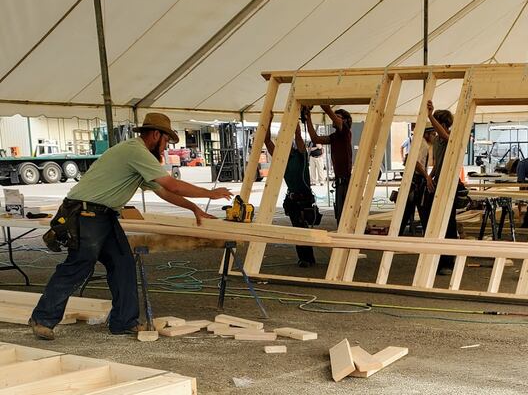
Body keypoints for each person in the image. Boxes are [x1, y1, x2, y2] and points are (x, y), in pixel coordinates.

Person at [30, 113, 232, 340]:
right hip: (85, 213)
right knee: (79, 265)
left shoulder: (139, 157)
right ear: (156, 134)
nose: (165, 148)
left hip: (103, 215)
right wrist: (210, 194)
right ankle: (42, 319)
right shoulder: (135, 151)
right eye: (166, 142)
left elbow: (163, 191)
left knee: (123, 262)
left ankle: (124, 322)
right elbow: (172, 185)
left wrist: (193, 208)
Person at [265, 118, 318, 268]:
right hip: (293, 198)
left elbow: (298, 136)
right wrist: (268, 122)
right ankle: (305, 258)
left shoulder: (300, 155)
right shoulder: (281, 158)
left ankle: (308, 258)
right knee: (297, 229)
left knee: (303, 228)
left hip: (304, 197)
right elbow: (267, 141)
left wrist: (295, 119)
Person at [422, 101, 458, 276]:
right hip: (437, 182)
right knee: (433, 219)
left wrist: (430, 115)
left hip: (449, 184)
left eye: (436, 123)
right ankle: (437, 258)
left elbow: (445, 136)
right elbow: (436, 163)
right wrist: (429, 176)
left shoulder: (451, 137)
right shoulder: (436, 140)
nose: (434, 128)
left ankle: (448, 261)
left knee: (448, 222)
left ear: (443, 124)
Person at [303, 105, 353, 223]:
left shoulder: (345, 131)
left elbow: (329, 111)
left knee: (345, 218)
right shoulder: (335, 136)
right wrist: (308, 118)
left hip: (345, 182)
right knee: (341, 217)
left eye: (338, 117)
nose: (334, 119)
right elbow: (315, 139)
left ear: (345, 121)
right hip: (340, 182)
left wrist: (324, 104)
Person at [398, 125, 436, 235]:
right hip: (417, 180)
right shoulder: (423, 145)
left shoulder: (418, 143)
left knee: (408, 209)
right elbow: (416, 162)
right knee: (423, 209)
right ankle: (428, 235)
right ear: (426, 134)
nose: (434, 137)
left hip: (415, 179)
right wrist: (427, 176)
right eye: (433, 134)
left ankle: (397, 233)